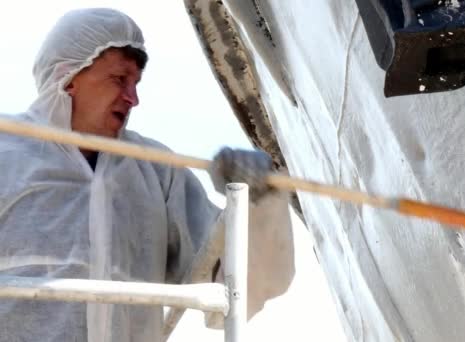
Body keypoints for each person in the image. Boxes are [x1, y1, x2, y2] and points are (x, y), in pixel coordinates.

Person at [0, 8, 294, 342]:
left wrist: (258, 201)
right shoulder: (5, 153)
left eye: (136, 83)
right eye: (119, 79)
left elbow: (235, 281)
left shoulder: (155, 172)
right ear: (68, 77)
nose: (132, 98)